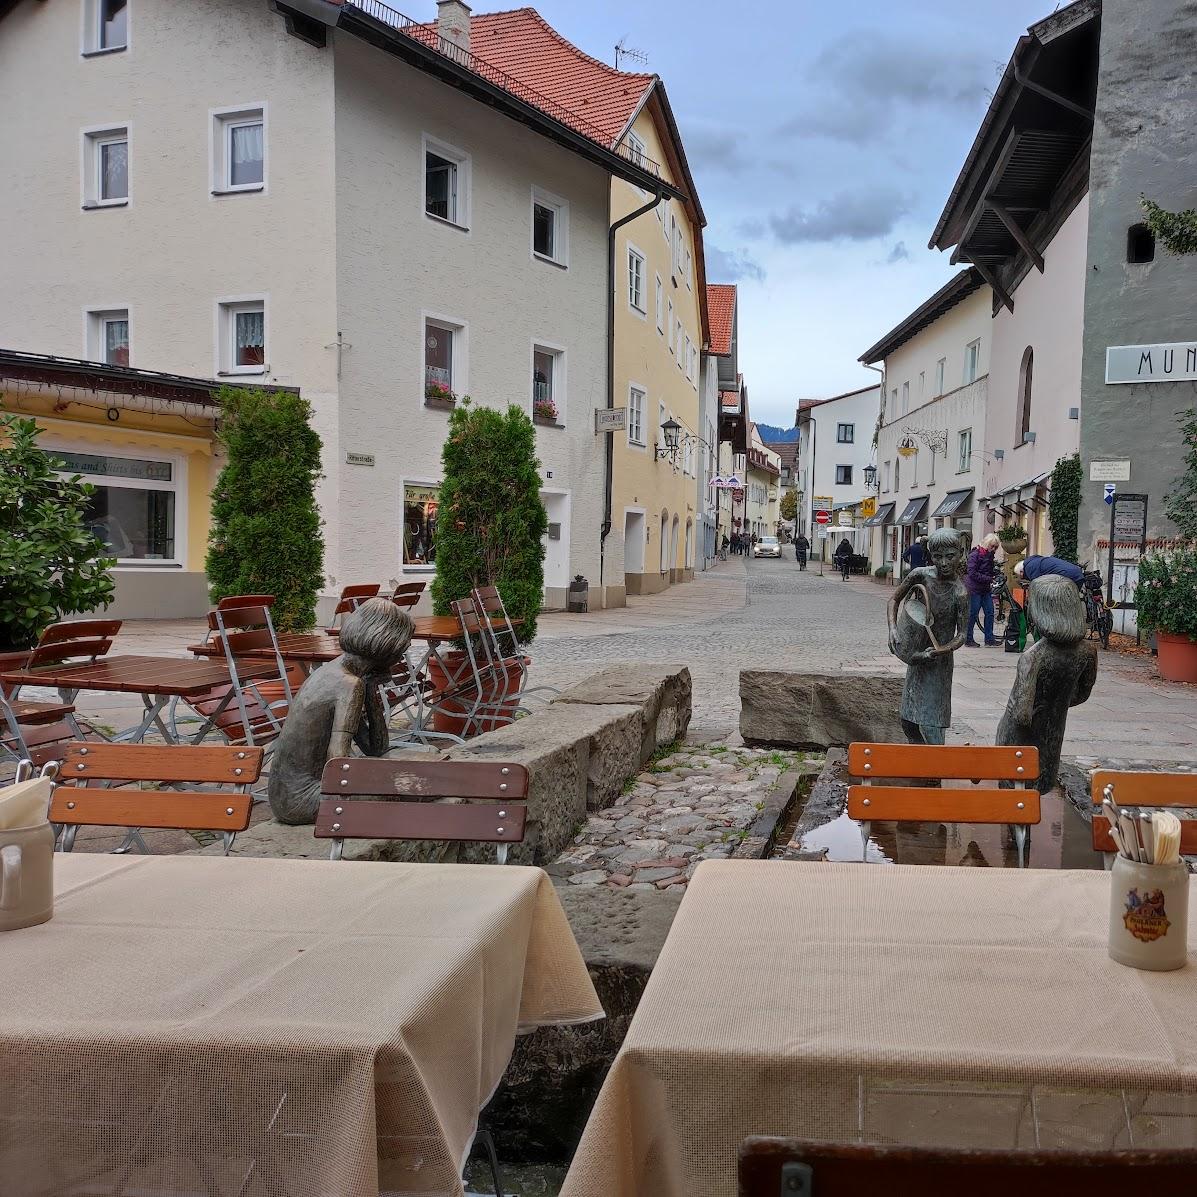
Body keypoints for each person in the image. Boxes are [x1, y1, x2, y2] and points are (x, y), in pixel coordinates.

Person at [267, 598, 414, 825]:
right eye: (403, 647)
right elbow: (339, 764)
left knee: (410, 770)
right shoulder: (347, 684)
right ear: (387, 646)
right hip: (302, 799)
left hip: (286, 794)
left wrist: (371, 689)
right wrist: (383, 780)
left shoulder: (339, 671)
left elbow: (377, 748)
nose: (404, 653)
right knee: (412, 784)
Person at [996, 575, 1097, 792]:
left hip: (1019, 741)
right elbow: (1083, 693)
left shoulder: (1034, 657)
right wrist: (1056, 703)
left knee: (1013, 793)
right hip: (1053, 732)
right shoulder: (1088, 651)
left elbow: (1022, 714)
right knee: (1040, 786)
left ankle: (1017, 826)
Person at [887, 528, 969, 745]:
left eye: (950, 556)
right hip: (916, 656)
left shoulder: (959, 592)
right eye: (937, 556)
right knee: (909, 721)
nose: (943, 562)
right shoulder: (920, 575)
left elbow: (961, 635)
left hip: (938, 663)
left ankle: (936, 771)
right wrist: (893, 629)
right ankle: (917, 767)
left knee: (931, 724)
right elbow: (894, 600)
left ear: (960, 553)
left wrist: (941, 650)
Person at [964, 533, 1001, 647]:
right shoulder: (975, 554)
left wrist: (994, 574)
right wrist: (989, 578)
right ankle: (968, 639)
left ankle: (989, 639)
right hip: (974, 588)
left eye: (996, 547)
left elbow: (986, 571)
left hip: (985, 589)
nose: (994, 549)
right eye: (992, 546)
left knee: (990, 613)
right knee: (973, 614)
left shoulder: (989, 555)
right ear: (987, 544)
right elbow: (972, 573)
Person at [1015, 555, 1085, 585]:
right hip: (1077, 574)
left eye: (1019, 575)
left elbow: (1037, 585)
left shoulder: (1029, 568)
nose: (1021, 577)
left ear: (1021, 571)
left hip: (1068, 577)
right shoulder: (1035, 561)